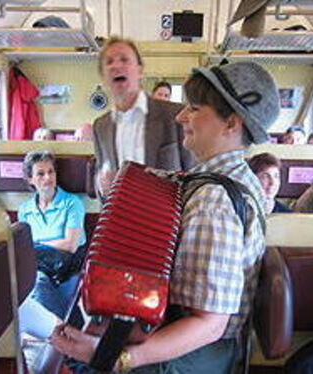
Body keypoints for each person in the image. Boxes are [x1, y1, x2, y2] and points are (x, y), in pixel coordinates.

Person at [51, 61, 279, 374]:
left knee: (84, 364)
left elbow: (209, 325)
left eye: (195, 108)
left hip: (199, 351)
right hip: (186, 333)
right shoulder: (230, 178)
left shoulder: (214, 200)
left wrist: (116, 358)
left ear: (231, 124)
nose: (180, 116)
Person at [93, 37, 193, 199]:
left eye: (124, 60)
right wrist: (100, 183)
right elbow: (100, 172)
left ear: (140, 71)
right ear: (103, 77)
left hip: (167, 219)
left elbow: (194, 174)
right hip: (120, 218)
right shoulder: (100, 127)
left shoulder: (175, 116)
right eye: (109, 62)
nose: (116, 66)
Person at [18, 150, 85, 320]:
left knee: (42, 285)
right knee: (35, 282)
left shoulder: (72, 203)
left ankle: (56, 330)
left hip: (69, 265)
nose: (48, 178)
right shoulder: (25, 210)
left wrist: (37, 243)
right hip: (40, 267)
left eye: (51, 172)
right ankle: (54, 330)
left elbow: (71, 244)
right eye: (40, 174)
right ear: (30, 179)